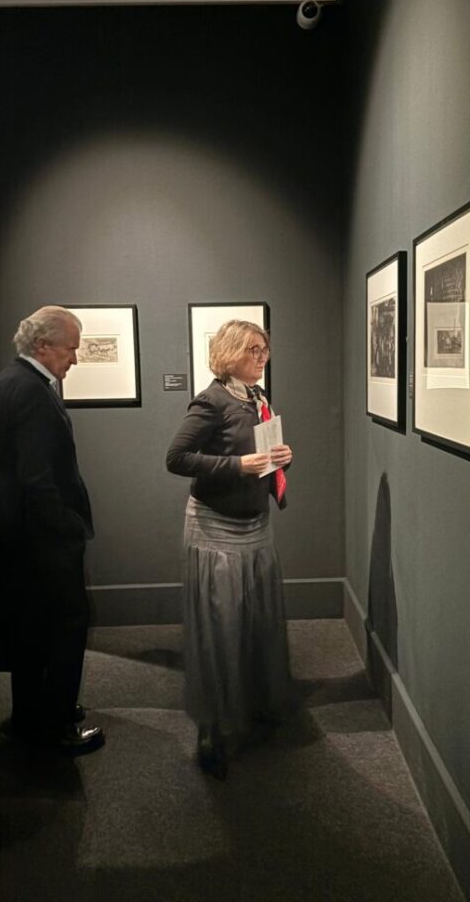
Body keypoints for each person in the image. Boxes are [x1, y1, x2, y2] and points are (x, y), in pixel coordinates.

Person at [166, 319, 294, 780]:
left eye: (264, 350)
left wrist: (281, 458)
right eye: (252, 350)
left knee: (255, 617)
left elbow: (262, 453)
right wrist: (238, 465)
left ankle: (254, 702)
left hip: (255, 524)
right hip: (216, 527)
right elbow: (176, 458)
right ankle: (213, 726)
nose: (261, 358)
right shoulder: (212, 401)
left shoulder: (256, 397)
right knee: (221, 626)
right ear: (229, 353)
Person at [0, 305, 104, 754]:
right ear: (42, 345)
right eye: (71, 349)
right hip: (44, 539)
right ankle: (55, 727)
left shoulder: (4, 382)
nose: (75, 358)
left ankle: (30, 716)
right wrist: (66, 528)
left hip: (19, 534)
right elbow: (37, 478)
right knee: (66, 628)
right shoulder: (33, 391)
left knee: (31, 631)